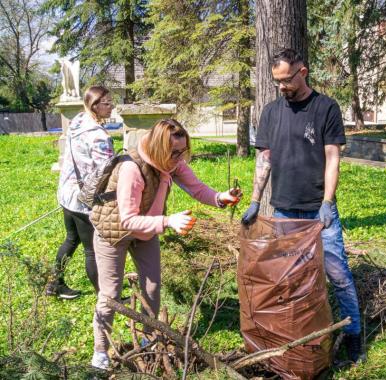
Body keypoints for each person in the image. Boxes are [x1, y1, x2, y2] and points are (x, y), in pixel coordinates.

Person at [240, 48, 363, 363]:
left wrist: (327, 202)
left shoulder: (326, 108)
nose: (282, 86)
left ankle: (353, 336)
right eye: (277, 81)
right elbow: (264, 158)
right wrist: (256, 200)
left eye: (286, 80)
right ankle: (298, 336)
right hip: (284, 210)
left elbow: (333, 157)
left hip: (319, 212)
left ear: (302, 72)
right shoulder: (271, 112)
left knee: (337, 274)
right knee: (291, 278)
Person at [90, 119, 241, 369]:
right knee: (111, 295)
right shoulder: (132, 170)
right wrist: (168, 221)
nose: (180, 158)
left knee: (152, 287)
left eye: (183, 151)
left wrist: (219, 198)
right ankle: (100, 352)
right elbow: (128, 220)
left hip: (147, 230)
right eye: (175, 153)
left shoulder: (171, 163)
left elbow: (196, 188)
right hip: (114, 233)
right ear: (159, 148)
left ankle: (149, 340)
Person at [47, 86, 115, 299]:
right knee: (92, 249)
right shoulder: (98, 135)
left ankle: (54, 284)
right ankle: (106, 298)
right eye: (107, 103)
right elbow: (108, 171)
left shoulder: (77, 121)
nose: (111, 106)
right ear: (95, 106)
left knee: (71, 239)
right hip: (83, 199)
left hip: (67, 192)